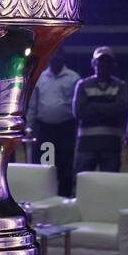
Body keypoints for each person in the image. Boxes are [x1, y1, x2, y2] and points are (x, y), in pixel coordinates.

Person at [27, 51, 81, 196]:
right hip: (45, 128)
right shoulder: (41, 77)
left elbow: (78, 105)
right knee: (46, 164)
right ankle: (44, 195)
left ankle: (64, 197)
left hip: (65, 128)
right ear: (49, 57)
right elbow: (33, 104)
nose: (56, 58)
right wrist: (29, 126)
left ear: (63, 58)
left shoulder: (73, 77)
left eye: (58, 56)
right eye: (53, 55)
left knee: (65, 164)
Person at [73, 47, 128, 174]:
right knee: (83, 185)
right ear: (94, 63)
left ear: (113, 64)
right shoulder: (82, 85)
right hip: (86, 145)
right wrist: (109, 108)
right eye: (100, 61)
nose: (104, 64)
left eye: (107, 61)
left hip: (111, 146)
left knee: (109, 186)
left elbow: (121, 110)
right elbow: (79, 112)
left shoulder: (121, 85)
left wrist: (93, 105)